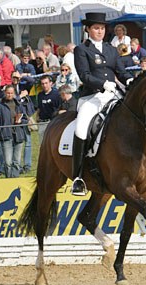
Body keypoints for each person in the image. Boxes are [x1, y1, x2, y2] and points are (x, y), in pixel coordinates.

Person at [73, 12, 133, 195]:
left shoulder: (111, 49)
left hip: (113, 94)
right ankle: (78, 177)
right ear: (88, 30)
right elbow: (84, 76)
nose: (100, 31)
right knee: (81, 127)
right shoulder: (81, 50)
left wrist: (130, 80)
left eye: (102, 28)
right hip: (92, 97)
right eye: (96, 28)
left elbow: (121, 72)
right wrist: (102, 84)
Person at [0, 85, 27, 178]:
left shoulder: (19, 104)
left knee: (17, 161)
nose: (10, 95)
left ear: (14, 94)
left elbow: (25, 118)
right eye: (8, 93)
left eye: (11, 93)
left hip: (18, 135)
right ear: (5, 93)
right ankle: (9, 179)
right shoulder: (0, 105)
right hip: (6, 135)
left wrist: (21, 121)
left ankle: (15, 180)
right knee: (7, 162)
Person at [11, 71, 35, 173]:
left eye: (17, 77)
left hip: (25, 118)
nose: (16, 79)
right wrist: (20, 96)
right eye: (14, 77)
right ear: (11, 78)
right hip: (14, 119)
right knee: (16, 143)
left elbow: (32, 81)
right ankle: (17, 165)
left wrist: (23, 76)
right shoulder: (9, 88)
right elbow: (10, 101)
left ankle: (27, 165)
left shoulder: (23, 86)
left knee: (28, 143)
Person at [36, 75, 61, 143]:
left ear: (51, 83)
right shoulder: (40, 95)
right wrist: (37, 116)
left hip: (53, 122)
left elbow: (60, 108)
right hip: (42, 122)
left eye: (46, 83)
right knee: (42, 144)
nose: (44, 85)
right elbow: (39, 107)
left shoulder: (57, 95)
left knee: (53, 143)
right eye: (42, 83)